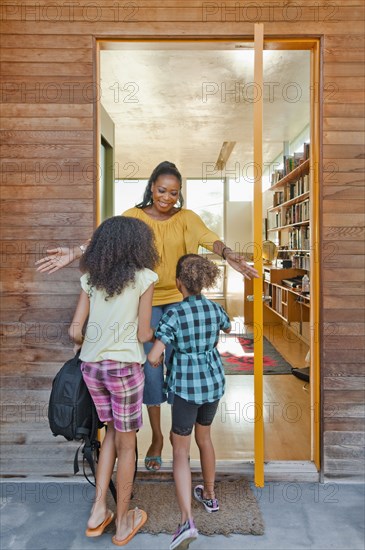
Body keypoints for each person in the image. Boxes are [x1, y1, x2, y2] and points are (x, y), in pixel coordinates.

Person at [36, 160, 259, 471]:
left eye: (174, 193)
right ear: (152, 187)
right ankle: (155, 436)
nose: (168, 197)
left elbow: (211, 238)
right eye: (162, 190)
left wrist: (231, 255)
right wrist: (75, 251)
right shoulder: (133, 217)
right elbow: (104, 240)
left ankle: (179, 432)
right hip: (148, 300)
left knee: (182, 365)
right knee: (151, 372)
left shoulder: (187, 218)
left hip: (180, 300)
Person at [68, 216, 159, 546]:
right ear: (138, 246)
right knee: (128, 445)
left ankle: (97, 512)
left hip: (92, 368)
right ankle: (121, 524)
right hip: (124, 369)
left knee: (108, 435)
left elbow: (75, 331)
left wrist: (89, 345)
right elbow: (143, 333)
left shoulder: (90, 278)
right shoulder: (145, 278)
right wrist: (159, 343)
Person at [147, 254, 232, 550]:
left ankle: (186, 520)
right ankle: (209, 496)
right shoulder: (214, 307)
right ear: (205, 280)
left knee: (180, 449)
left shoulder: (174, 314)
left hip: (185, 388)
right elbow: (228, 327)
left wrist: (157, 362)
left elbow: (154, 354)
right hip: (213, 383)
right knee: (204, 438)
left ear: (178, 282)